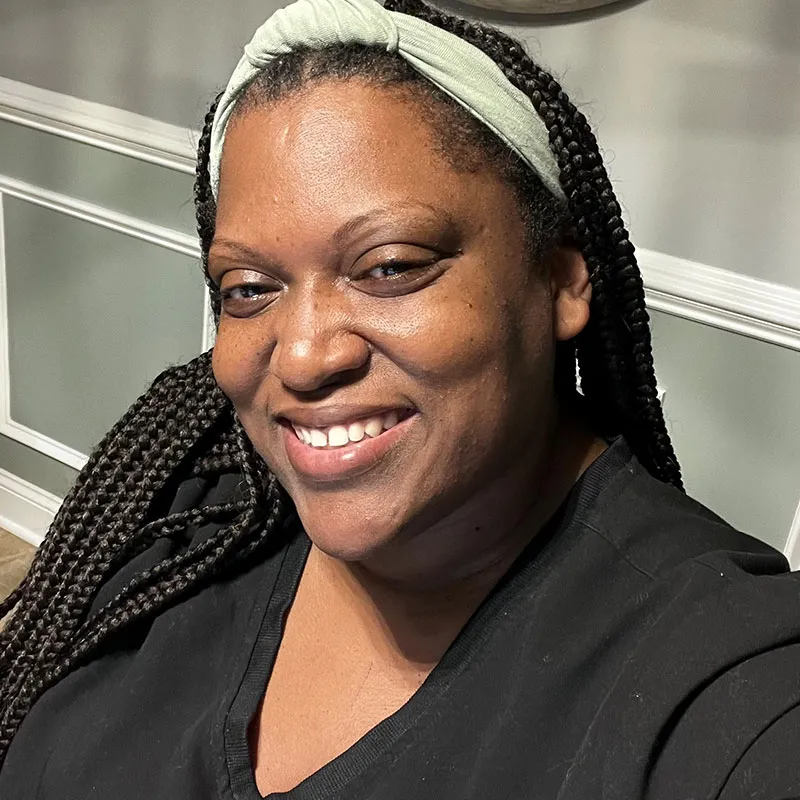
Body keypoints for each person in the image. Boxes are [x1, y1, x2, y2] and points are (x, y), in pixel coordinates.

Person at [1, 0, 799, 797]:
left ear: (561, 280)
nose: (305, 356)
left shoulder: (721, 688)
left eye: (388, 267)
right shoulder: (194, 501)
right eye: (248, 288)